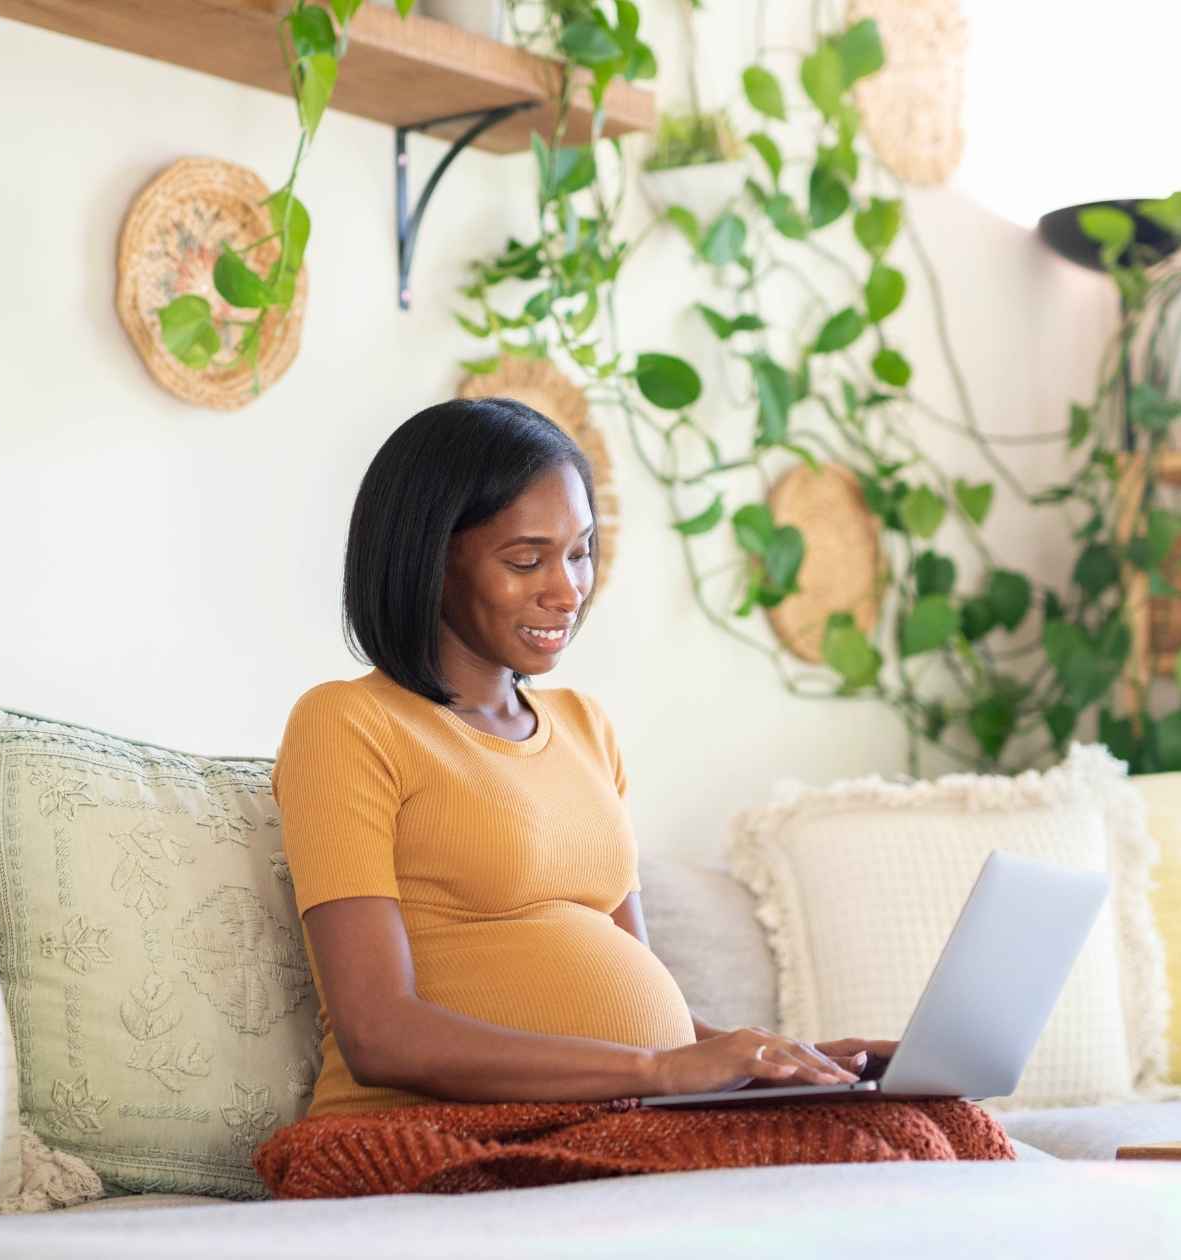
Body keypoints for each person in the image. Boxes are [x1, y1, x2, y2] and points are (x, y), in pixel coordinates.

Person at [274, 396, 897, 1118]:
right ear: (430, 559)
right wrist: (658, 1070)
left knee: (901, 1119)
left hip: (618, 1113)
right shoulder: (350, 723)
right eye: (526, 559)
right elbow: (380, 1035)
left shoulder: (585, 727)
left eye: (579, 552)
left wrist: (790, 1064)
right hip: (429, 1132)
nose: (568, 589)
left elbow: (655, 1018)